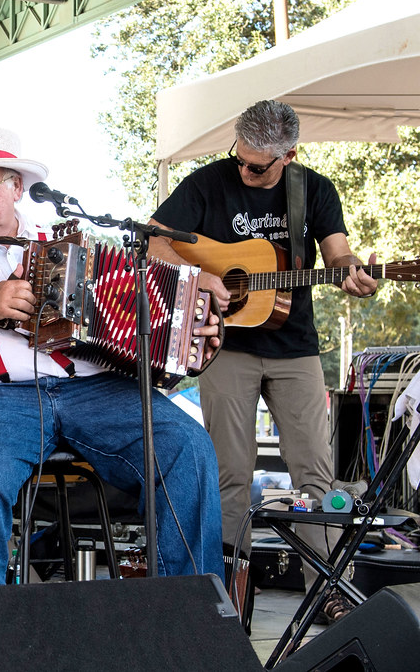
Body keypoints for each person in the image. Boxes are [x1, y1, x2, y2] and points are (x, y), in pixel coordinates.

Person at [0, 126, 225, 588]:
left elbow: (136, 318)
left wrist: (188, 339)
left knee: (188, 445)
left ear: (17, 187)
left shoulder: (69, 242)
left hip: (92, 390)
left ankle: (191, 618)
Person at [146, 100, 377, 621]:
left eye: (257, 164)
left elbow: (337, 253)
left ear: (289, 155)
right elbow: (154, 241)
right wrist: (202, 277)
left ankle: (330, 594)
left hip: (295, 348)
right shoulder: (208, 183)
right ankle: (226, 597)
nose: (244, 169)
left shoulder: (314, 190)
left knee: (315, 476)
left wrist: (350, 271)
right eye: (240, 157)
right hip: (226, 346)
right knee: (231, 472)